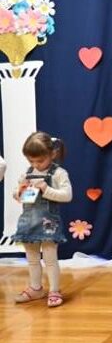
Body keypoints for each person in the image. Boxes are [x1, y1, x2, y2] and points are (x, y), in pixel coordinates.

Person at [13, 131, 72, 308]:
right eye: (31, 161)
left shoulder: (58, 173)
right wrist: (20, 192)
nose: (35, 165)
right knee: (32, 259)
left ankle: (54, 290)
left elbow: (67, 195)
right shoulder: (27, 173)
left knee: (50, 259)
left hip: (48, 224)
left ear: (52, 154)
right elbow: (18, 194)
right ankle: (35, 288)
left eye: (40, 161)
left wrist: (46, 189)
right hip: (28, 222)